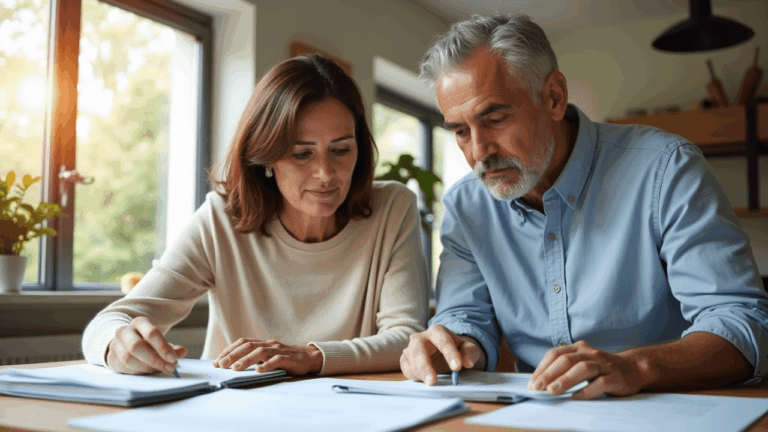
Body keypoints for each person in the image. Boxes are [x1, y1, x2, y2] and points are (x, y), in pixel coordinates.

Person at [400, 14, 768, 399]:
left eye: (495, 118)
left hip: (672, 408)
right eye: (460, 131)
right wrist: (453, 345)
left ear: (554, 97)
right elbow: (465, 318)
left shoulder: (665, 169)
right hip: (541, 415)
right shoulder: (466, 206)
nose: (478, 153)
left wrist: (637, 366)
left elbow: (743, 324)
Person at [82, 54, 429, 377]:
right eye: (301, 154)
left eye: (341, 150)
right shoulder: (221, 219)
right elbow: (111, 320)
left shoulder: (392, 209)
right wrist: (116, 344)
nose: (326, 173)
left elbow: (406, 337)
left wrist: (311, 356)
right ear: (265, 158)